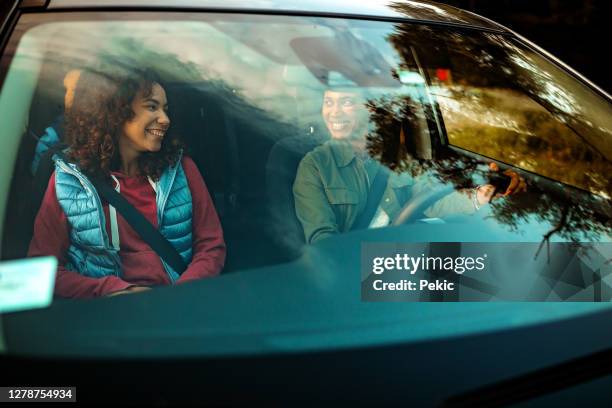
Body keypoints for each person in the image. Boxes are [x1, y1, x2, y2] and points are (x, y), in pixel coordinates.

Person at [28, 67, 226, 298]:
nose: (165, 119)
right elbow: (42, 269)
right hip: (106, 317)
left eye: (166, 109)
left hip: (178, 308)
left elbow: (211, 247)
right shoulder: (70, 180)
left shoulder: (181, 169)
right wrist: (111, 291)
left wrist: (178, 297)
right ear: (116, 111)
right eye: (152, 107)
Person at [293, 88, 525, 244]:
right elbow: (324, 244)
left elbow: (431, 199)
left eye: (346, 102)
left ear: (370, 108)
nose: (334, 112)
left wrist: (479, 196)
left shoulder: (397, 157)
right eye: (328, 103)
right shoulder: (315, 166)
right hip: (356, 275)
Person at [30, 69, 81, 175]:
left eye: (75, 91)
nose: (68, 96)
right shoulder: (57, 132)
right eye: (66, 90)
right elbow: (37, 172)